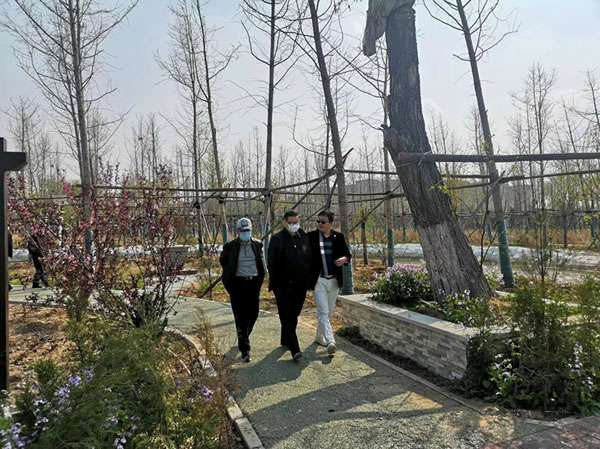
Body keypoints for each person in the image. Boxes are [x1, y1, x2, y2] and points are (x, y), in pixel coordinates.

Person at [268, 210, 312, 362]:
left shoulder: (303, 237)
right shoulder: (277, 239)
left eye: (296, 222)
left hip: (300, 285)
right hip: (282, 286)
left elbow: (309, 258)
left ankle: (285, 339)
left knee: (293, 315)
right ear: (284, 222)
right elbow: (271, 263)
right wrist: (275, 283)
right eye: (291, 223)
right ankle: (295, 349)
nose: (294, 225)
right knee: (287, 315)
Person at [219, 218, 266, 363]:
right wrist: (229, 281)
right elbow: (223, 262)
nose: (246, 233)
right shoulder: (230, 246)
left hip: (253, 284)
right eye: (243, 231)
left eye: (248, 230)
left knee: (253, 314)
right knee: (240, 317)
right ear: (238, 231)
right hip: (237, 285)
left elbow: (261, 264)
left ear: (251, 230)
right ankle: (245, 349)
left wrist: (260, 280)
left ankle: (243, 336)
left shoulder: (257, 244)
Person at [308, 210, 352, 355]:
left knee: (329, 312)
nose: (320, 224)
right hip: (318, 280)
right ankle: (330, 340)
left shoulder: (338, 237)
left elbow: (348, 255)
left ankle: (319, 337)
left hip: (334, 280)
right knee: (323, 311)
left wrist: (344, 259)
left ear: (331, 223)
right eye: (318, 221)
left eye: (323, 222)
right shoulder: (311, 237)